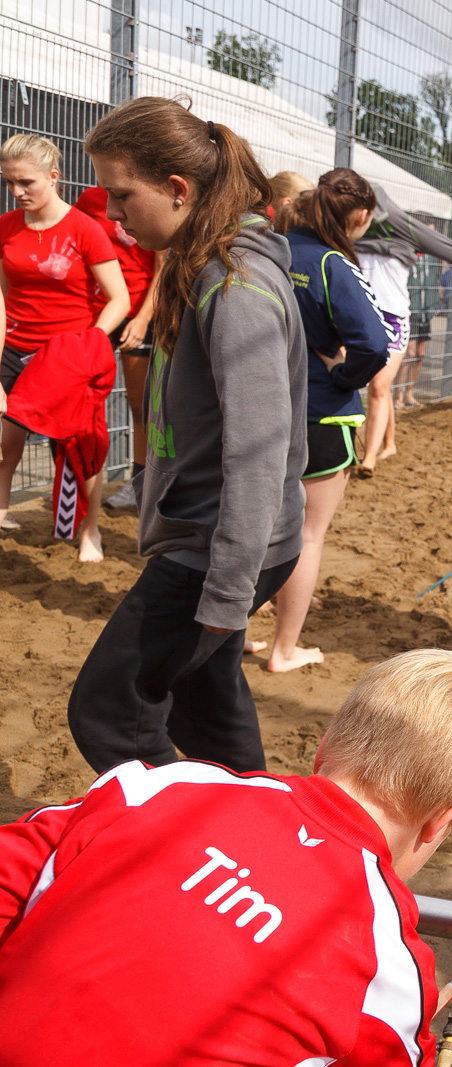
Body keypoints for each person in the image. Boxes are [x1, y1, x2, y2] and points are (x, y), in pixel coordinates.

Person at [5, 649, 452, 1065]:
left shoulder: (162, 785)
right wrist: (414, 1022)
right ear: (445, 819)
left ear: (323, 748)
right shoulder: (389, 967)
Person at [67, 98, 304, 772]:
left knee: (110, 707)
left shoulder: (236, 287)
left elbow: (259, 454)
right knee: (208, 711)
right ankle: (254, 831)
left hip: (217, 550)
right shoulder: (198, 266)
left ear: (177, 189)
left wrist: (228, 590)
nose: (112, 214)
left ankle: (181, 844)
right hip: (217, 539)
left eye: (122, 195)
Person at [265, 169, 391, 674]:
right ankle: (284, 648)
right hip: (320, 413)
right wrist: (344, 377)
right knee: (306, 535)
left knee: (259, 528)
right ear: (359, 217)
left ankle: (241, 639)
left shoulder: (268, 249)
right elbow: (376, 343)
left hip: (260, 407)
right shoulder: (332, 263)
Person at [0, 133, 129, 560]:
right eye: (8, 183)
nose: (17, 192)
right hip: (15, 350)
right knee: (4, 439)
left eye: (26, 183)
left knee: (77, 450)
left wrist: (90, 343)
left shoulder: (84, 228)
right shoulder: (5, 229)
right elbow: (0, 301)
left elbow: (119, 299)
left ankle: (88, 529)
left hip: (67, 357)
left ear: (53, 177)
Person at [354, 183, 452, 473]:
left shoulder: (406, 235)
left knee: (379, 386)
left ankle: (369, 458)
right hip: (366, 319)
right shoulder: (350, 236)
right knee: (383, 386)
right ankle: (391, 442)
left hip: (396, 320)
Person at [73, 186, 162, 511]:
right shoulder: (90, 200)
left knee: (141, 405)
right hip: (95, 312)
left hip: (140, 312)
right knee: (83, 402)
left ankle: (138, 484)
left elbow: (163, 265)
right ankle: (78, 486)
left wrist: (141, 319)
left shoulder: (148, 195)